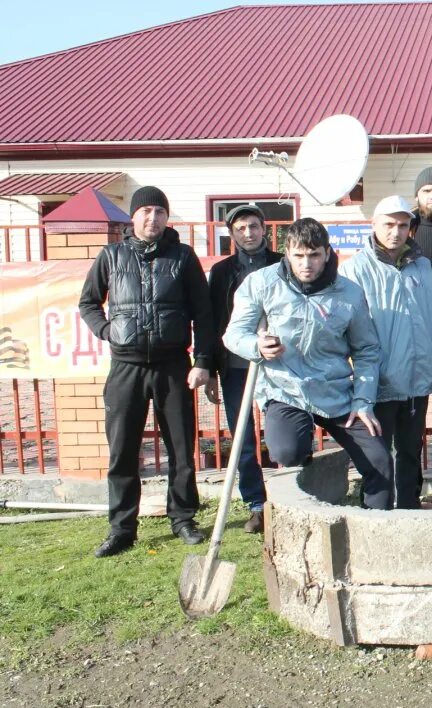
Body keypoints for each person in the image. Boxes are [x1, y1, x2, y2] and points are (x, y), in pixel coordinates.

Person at [80, 186, 216, 557]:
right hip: (126, 367)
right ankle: (122, 528)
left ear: (166, 217)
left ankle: (183, 518)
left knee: (181, 448)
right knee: (122, 450)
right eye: (146, 211)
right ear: (133, 216)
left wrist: (203, 360)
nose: (152, 218)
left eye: (159, 211)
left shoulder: (183, 257)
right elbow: (88, 302)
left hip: (173, 365)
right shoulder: (112, 255)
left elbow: (204, 314)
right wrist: (107, 331)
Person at [223, 218, 393, 510]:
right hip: (286, 390)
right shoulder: (262, 283)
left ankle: (374, 528)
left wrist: (363, 401)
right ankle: (306, 454)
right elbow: (233, 334)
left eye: (314, 255)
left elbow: (366, 350)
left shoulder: (349, 293)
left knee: (380, 460)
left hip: (336, 391)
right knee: (288, 452)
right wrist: (257, 346)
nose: (306, 264)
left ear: (327, 253)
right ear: (287, 252)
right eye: (299, 255)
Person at [341, 196, 432, 510]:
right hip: (380, 381)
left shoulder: (422, 265)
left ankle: (409, 510)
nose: (396, 232)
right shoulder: (355, 270)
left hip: (419, 375)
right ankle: (378, 515)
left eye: (403, 225)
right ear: (374, 225)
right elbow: (350, 326)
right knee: (377, 453)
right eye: (389, 224)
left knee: (411, 450)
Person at [205, 203, 282, 534]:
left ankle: (291, 498)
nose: (248, 233)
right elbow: (211, 323)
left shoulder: (284, 264)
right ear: (232, 233)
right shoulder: (222, 273)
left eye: (253, 226)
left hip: (281, 364)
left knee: (285, 432)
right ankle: (256, 504)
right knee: (243, 437)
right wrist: (207, 365)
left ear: (264, 229)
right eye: (240, 228)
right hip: (236, 365)